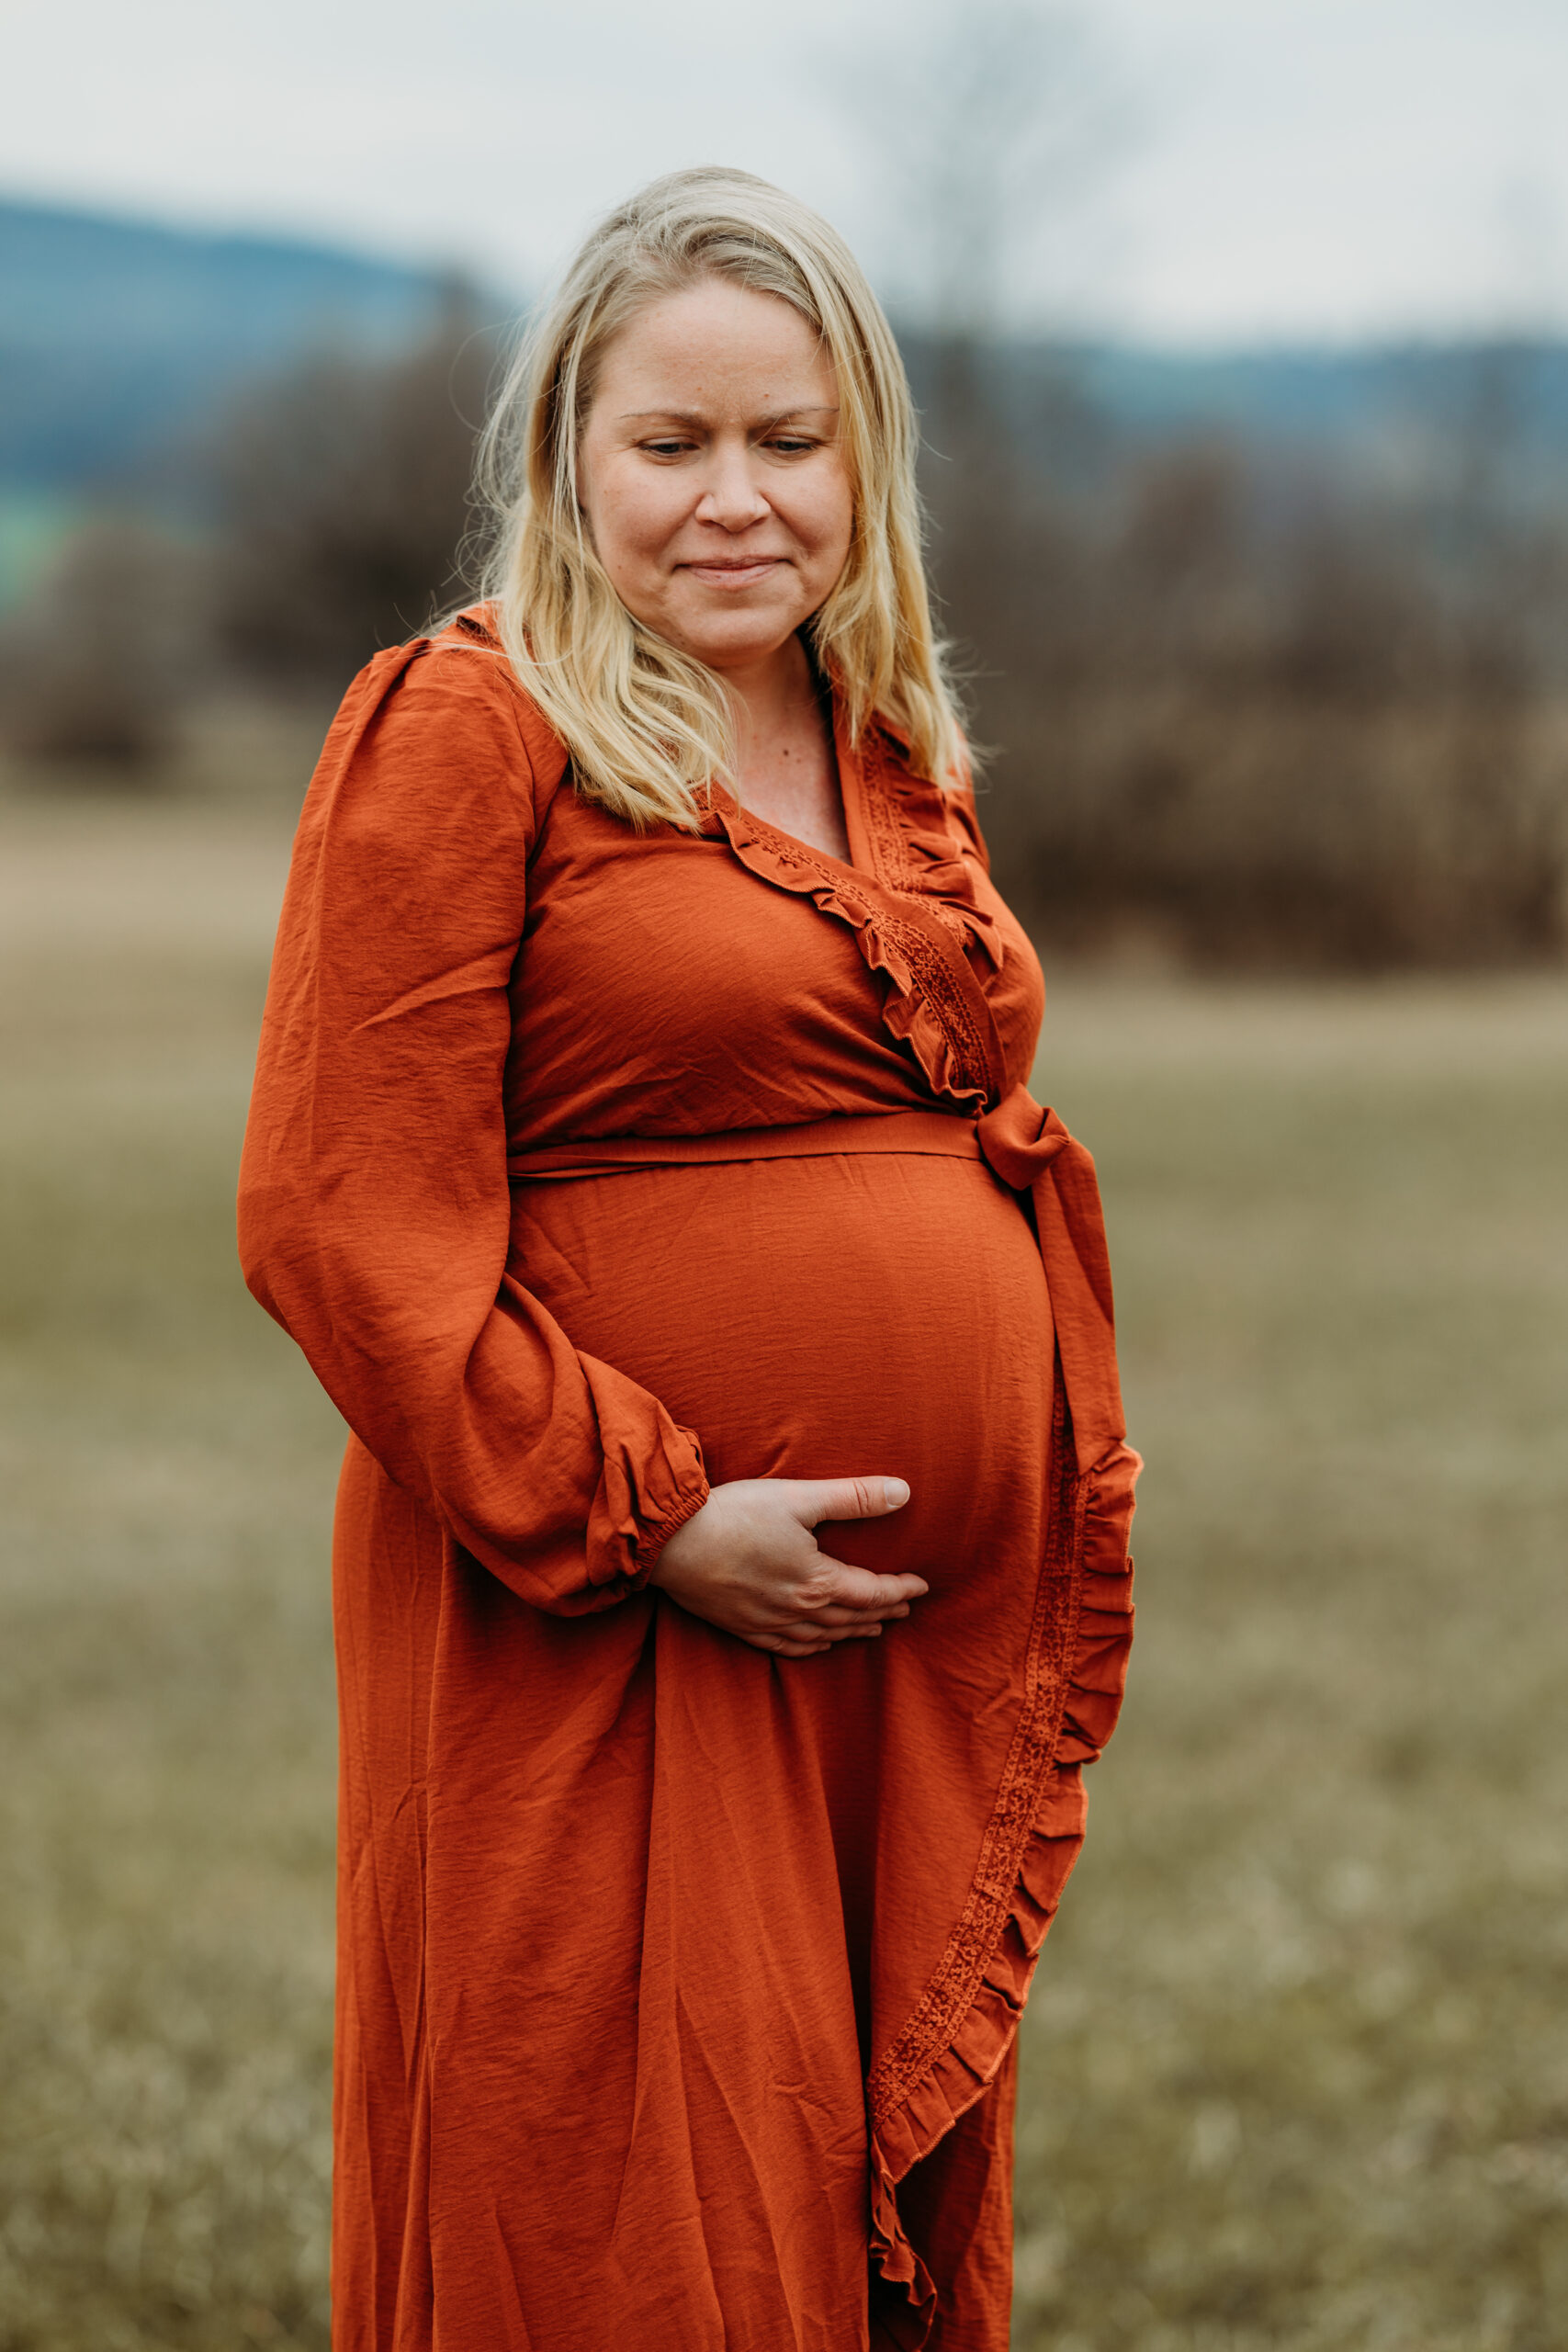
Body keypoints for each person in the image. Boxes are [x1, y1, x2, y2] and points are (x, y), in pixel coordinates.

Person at [239, 164, 1139, 2352]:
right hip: (598, 1613)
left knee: (832, 2194)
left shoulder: (886, 745)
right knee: (618, 2194)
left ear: (863, 462)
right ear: (567, 455)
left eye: (786, 439)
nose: (732, 498)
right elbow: (342, 1212)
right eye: (670, 443)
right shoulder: (470, 723)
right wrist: (651, 1516)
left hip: (875, 1659)